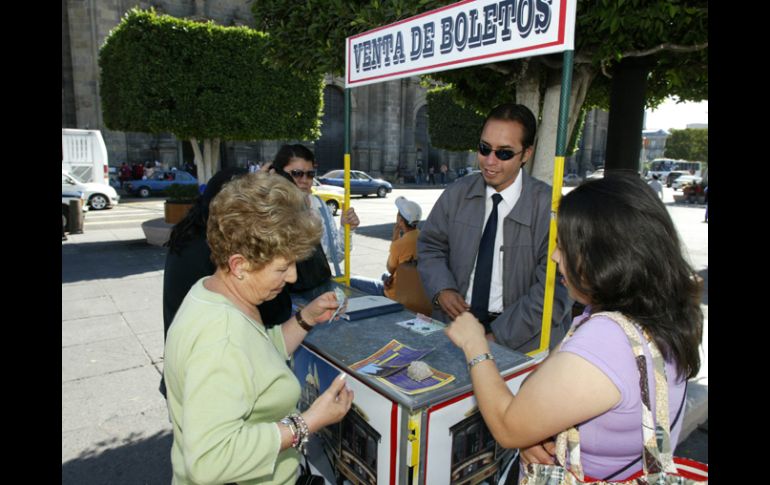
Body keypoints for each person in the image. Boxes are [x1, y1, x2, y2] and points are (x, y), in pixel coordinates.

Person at [445, 174, 702, 482]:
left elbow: (507, 426)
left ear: (605, 258)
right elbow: (545, 394)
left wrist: (475, 345)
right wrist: (535, 433)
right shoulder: (660, 315)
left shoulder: (606, 339)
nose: (555, 256)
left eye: (564, 246)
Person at [164, 172, 354, 485]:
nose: (292, 277)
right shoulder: (221, 338)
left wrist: (305, 318)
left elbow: (256, 356)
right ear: (239, 265)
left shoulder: (212, 292)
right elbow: (210, 461)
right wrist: (308, 423)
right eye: (282, 267)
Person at [418, 103, 572, 353]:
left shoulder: (549, 207)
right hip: (457, 328)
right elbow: (430, 246)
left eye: (504, 153)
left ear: (526, 154)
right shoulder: (457, 194)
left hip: (524, 341)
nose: (489, 161)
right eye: (484, 148)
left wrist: (496, 339)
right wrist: (442, 289)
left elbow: (553, 291)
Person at [161, 167, 294, 397]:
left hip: (185, 376)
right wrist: (305, 423)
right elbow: (215, 433)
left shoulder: (192, 237)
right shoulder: (222, 331)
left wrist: (304, 319)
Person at [271, 144, 360, 288]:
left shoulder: (319, 206)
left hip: (319, 291)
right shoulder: (268, 210)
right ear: (279, 173)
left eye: (310, 174)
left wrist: (346, 228)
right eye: (297, 173)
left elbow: (335, 256)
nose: (305, 180)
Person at [349, 196, 422, 298]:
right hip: (415, 286)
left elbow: (390, 268)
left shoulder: (399, 244)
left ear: (400, 220)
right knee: (384, 276)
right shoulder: (423, 237)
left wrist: (395, 237)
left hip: (396, 293)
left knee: (351, 281)